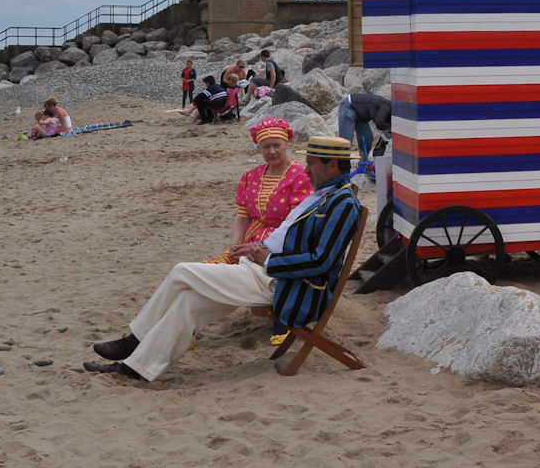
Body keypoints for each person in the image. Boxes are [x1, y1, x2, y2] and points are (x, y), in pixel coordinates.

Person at [83, 136, 362, 381]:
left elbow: (320, 262)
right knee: (188, 302)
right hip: (263, 271)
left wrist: (266, 260)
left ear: (333, 166)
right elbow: (289, 236)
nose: (305, 168)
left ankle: (134, 340)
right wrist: (257, 247)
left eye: (312, 163)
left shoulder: (343, 204)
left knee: (181, 271)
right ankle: (136, 368)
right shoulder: (322, 195)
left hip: (286, 284)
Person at [204, 117, 312, 344]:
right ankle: (191, 325)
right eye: (266, 147)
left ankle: (280, 320)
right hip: (251, 237)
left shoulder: (300, 176)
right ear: (259, 148)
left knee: (254, 271)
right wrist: (234, 245)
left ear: (287, 145)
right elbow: (242, 217)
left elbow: (294, 223)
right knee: (215, 269)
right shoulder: (251, 176)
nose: (272, 151)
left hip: (282, 241)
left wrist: (259, 247)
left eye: (277, 145)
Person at [337, 92, 391, 168]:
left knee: (368, 140)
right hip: (348, 106)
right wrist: (390, 128)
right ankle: (341, 169)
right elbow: (379, 123)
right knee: (346, 142)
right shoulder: (385, 106)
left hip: (361, 116)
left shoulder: (388, 109)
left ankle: (362, 166)